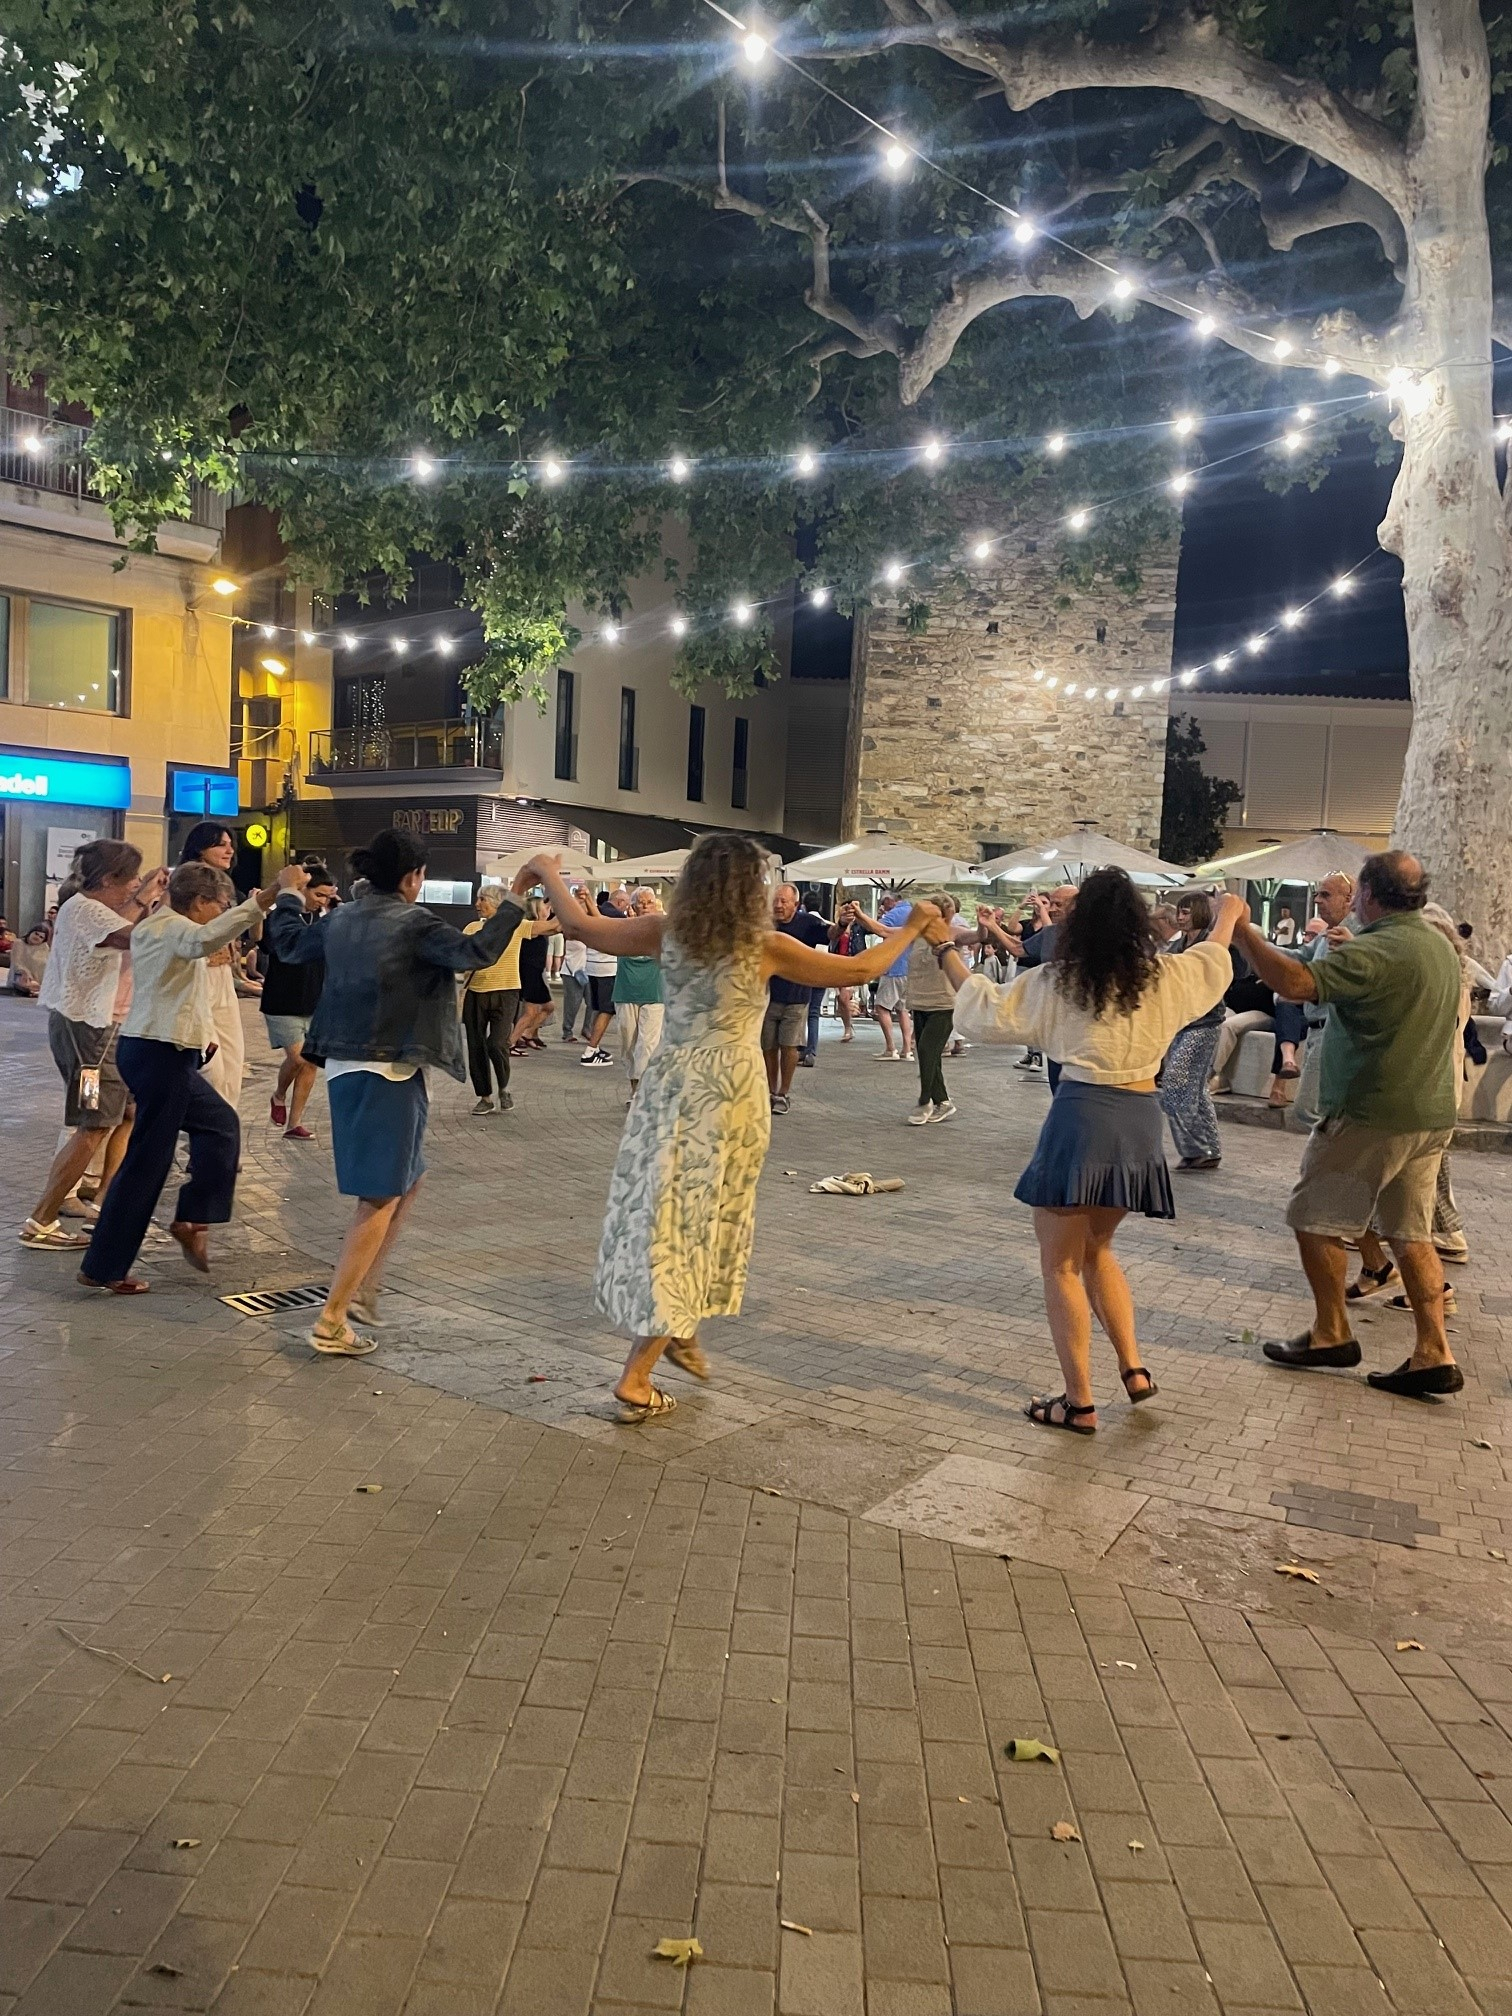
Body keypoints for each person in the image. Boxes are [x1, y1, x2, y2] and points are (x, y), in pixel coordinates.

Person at [523, 837, 934, 1420]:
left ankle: (679, 1329)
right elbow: (862, 968)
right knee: (701, 1220)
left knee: (670, 1214)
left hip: (670, 1083)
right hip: (730, 1093)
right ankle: (638, 1375)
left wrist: (545, 871)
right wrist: (915, 921)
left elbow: (582, 928)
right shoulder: (763, 946)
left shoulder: (667, 931)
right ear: (752, 889)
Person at [928, 868, 1246, 1433]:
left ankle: (1079, 1403)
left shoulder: (1059, 980)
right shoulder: (1165, 976)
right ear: (1138, 920)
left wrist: (944, 948)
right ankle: (1134, 1369)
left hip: (1082, 1114)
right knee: (1099, 1250)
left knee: (1061, 1266)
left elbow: (985, 1012)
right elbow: (1213, 962)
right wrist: (1226, 916)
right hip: (1141, 1119)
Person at [266, 831, 526, 1354]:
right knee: (381, 1195)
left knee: (410, 1177)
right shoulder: (413, 923)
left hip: (350, 1062)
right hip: (386, 1068)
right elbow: (475, 951)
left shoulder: (341, 918)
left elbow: (289, 943)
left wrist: (289, 895)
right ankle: (334, 1316)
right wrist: (516, 895)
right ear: (412, 878)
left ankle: (362, 1290)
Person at [1233, 851, 1464, 1400]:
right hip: (1428, 1114)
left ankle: (1331, 1333)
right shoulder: (1433, 943)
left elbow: (1295, 983)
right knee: (1411, 1234)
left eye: (1356, 889)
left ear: (1369, 894)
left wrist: (1242, 932)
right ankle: (1433, 1351)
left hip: (1371, 1112)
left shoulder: (1380, 948)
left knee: (1312, 1218)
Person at [78, 860, 301, 1291]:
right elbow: (203, 941)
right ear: (199, 902)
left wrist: (203, 1037)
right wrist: (272, 894)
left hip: (163, 1052)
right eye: (219, 904)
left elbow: (178, 988)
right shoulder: (170, 928)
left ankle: (192, 1218)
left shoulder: (163, 928)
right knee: (147, 1162)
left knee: (220, 1126)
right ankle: (104, 1267)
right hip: (158, 1055)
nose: (221, 912)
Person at [20, 841, 168, 1250]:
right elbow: (132, 938)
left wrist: (144, 897)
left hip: (99, 1027)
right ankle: (42, 1218)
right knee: (94, 1122)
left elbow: (125, 924)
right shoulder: (83, 908)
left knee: (122, 1114)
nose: (137, 885)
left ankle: (104, 1201)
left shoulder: (91, 908)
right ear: (108, 880)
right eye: (132, 878)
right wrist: (161, 905)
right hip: (91, 1033)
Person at [178, 822, 257, 1113]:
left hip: (223, 975)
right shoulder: (186, 883)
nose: (229, 850)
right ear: (201, 847)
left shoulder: (224, 883)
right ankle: (207, 1132)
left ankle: (220, 1134)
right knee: (211, 1066)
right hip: (196, 973)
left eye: (230, 844)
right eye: (220, 844)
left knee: (233, 1058)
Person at [261, 861, 336, 1140]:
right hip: (282, 1001)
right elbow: (264, 944)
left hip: (314, 1001)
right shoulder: (281, 918)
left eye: (328, 897)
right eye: (319, 895)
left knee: (310, 1062)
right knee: (300, 1057)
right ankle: (279, 1095)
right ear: (303, 889)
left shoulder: (324, 921)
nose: (322, 902)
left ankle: (295, 1123)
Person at [1156, 891, 1227, 1172]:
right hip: (1182, 1022)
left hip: (1204, 1023)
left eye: (1186, 912)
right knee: (1196, 1090)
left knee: (1175, 1085)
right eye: (1180, 912)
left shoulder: (1211, 941)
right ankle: (1207, 1150)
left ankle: (1196, 1147)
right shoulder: (1178, 945)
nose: (1181, 917)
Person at [1280, 872, 1355, 1126]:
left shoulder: (1358, 935)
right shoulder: (1327, 935)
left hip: (1333, 1031)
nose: (1317, 901)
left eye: (1325, 895)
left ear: (1349, 899)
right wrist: (1251, 943)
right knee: (1323, 1112)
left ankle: (1341, 1160)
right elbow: (1298, 957)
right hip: (1317, 1031)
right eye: (1316, 895)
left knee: (1309, 1109)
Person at [762, 882, 829, 1113]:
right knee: (768, 1046)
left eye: (783, 901)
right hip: (767, 996)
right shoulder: (765, 924)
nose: (778, 905)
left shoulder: (807, 923)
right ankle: (770, 1091)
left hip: (797, 995)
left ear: (796, 904)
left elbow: (829, 934)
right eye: (776, 901)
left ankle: (783, 1093)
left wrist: (841, 923)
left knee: (789, 1046)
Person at [904, 892, 969, 1123]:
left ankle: (924, 1101)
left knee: (926, 1050)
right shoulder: (918, 934)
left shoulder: (953, 932)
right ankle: (943, 1102)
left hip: (943, 1003)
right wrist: (859, 917)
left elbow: (975, 936)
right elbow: (885, 932)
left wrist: (986, 926)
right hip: (920, 1001)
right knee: (929, 1057)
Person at [459, 884, 521, 1115]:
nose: (477, 904)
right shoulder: (472, 928)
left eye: (482, 899)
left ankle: (504, 1087)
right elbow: (462, 956)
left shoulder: (516, 927)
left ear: (497, 903)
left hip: (507, 992)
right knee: (476, 1046)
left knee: (496, 1044)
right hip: (476, 992)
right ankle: (485, 1097)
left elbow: (551, 927)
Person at [615, 888, 666, 1096]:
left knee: (647, 1045)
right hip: (626, 992)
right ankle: (633, 1081)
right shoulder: (623, 927)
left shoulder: (664, 929)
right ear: (633, 906)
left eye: (649, 902)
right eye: (641, 902)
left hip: (654, 993)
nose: (645, 905)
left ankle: (640, 1092)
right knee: (628, 1042)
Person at [581, 887, 628, 1065]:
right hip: (607, 967)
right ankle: (590, 1051)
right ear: (620, 902)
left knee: (598, 1008)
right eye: (626, 905)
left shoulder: (598, 910)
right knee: (607, 1010)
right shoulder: (617, 917)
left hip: (591, 965)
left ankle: (595, 1045)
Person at [511, 898, 559, 1051]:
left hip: (535, 972)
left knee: (546, 1007)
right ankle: (511, 1042)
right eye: (545, 906)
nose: (549, 909)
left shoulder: (539, 928)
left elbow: (555, 928)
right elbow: (555, 926)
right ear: (536, 910)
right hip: (529, 973)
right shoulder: (531, 927)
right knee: (531, 1012)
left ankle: (526, 1034)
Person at [828, 900, 868, 1040]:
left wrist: (861, 915)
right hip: (838, 964)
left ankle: (848, 1029)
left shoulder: (859, 927)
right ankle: (848, 1027)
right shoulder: (836, 926)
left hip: (853, 964)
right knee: (840, 998)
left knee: (844, 997)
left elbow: (874, 928)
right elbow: (831, 940)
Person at [560, 922, 590, 1043]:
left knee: (592, 1002)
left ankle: (587, 1029)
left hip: (589, 971)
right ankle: (567, 1031)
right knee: (572, 1004)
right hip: (572, 971)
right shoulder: (571, 933)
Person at [9, 923, 52, 996]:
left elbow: (48, 964)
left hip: (40, 979)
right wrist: (25, 973)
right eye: (36, 934)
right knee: (25, 983)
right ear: (30, 932)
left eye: (41, 937)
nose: (37, 937)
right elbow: (17, 962)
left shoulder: (44, 947)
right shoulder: (19, 943)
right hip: (22, 976)